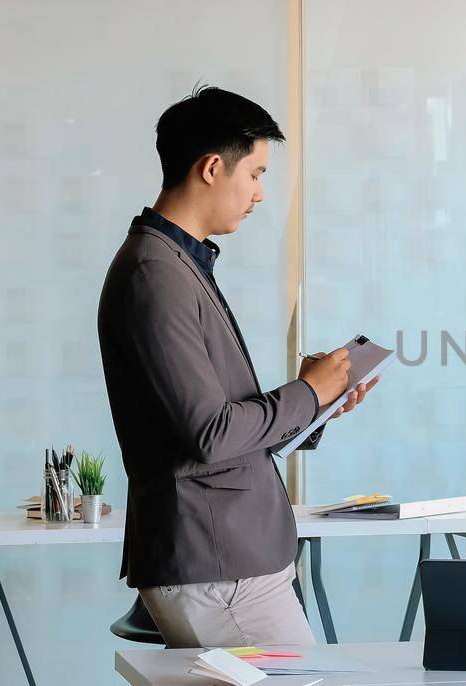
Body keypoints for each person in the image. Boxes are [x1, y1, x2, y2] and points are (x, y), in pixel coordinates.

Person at [97, 86, 378, 647]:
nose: (260, 194)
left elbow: (219, 428)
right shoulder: (157, 275)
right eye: (254, 174)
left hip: (228, 557)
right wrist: (306, 391)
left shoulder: (178, 265)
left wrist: (317, 403)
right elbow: (212, 433)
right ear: (210, 168)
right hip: (218, 565)